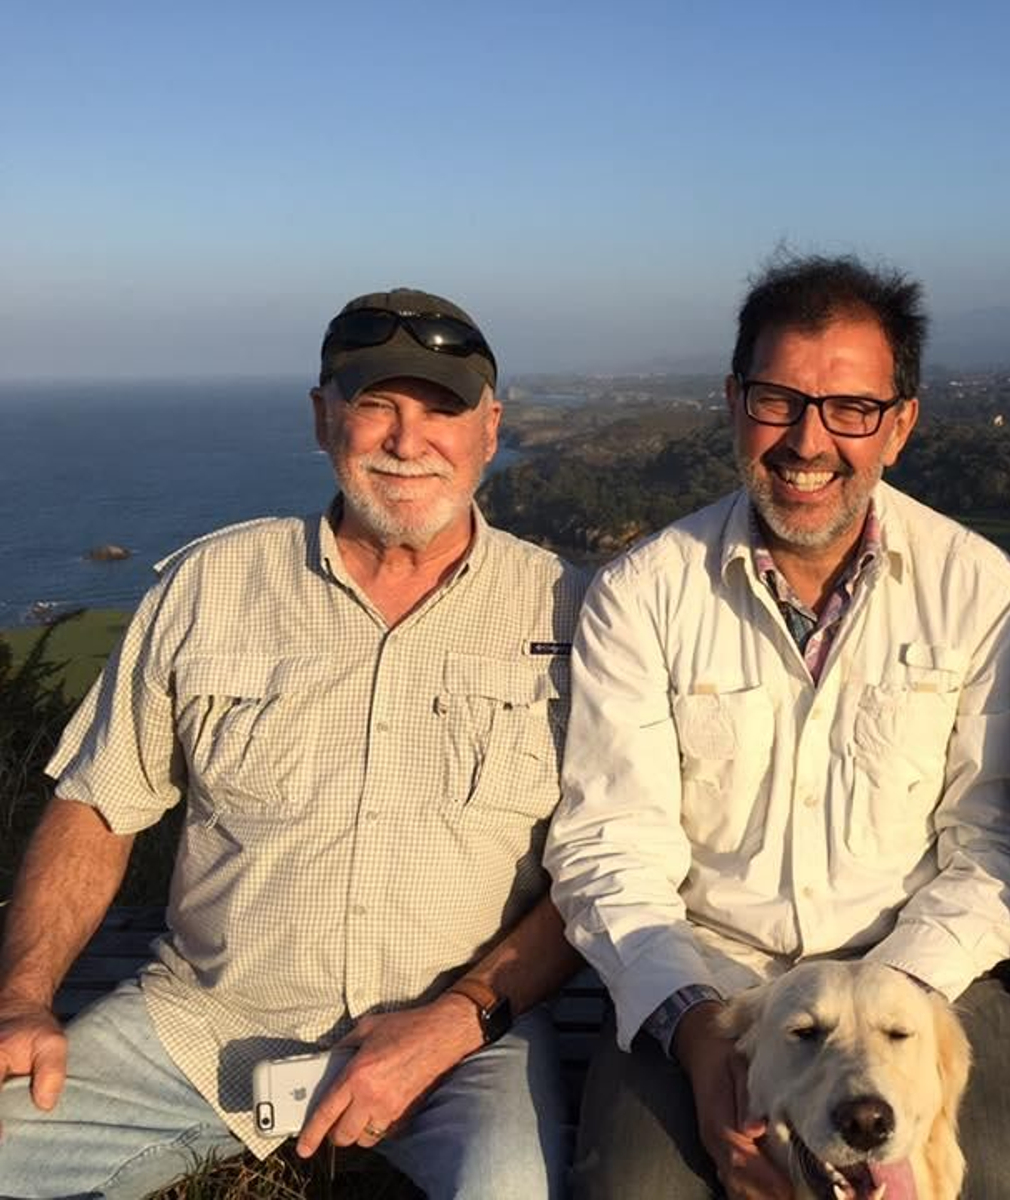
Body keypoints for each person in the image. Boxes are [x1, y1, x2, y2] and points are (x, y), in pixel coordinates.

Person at [0, 288, 587, 1199]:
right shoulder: (211, 586)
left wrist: (456, 1021)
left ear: (490, 429)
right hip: (203, 1027)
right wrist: (24, 998)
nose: (407, 439)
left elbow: (596, 867)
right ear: (324, 419)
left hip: (462, 1043)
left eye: (442, 408)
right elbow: (98, 803)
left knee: (510, 1186)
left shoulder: (569, 609)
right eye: (375, 404)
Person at [544, 254, 1010, 1198]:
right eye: (779, 400)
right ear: (736, 403)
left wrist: (889, 1007)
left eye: (851, 409)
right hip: (708, 977)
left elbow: (996, 842)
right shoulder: (645, 595)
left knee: (1007, 1186)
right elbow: (610, 847)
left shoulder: (979, 594)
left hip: (918, 970)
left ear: (900, 424)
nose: (808, 441)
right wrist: (698, 1029)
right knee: (638, 1191)